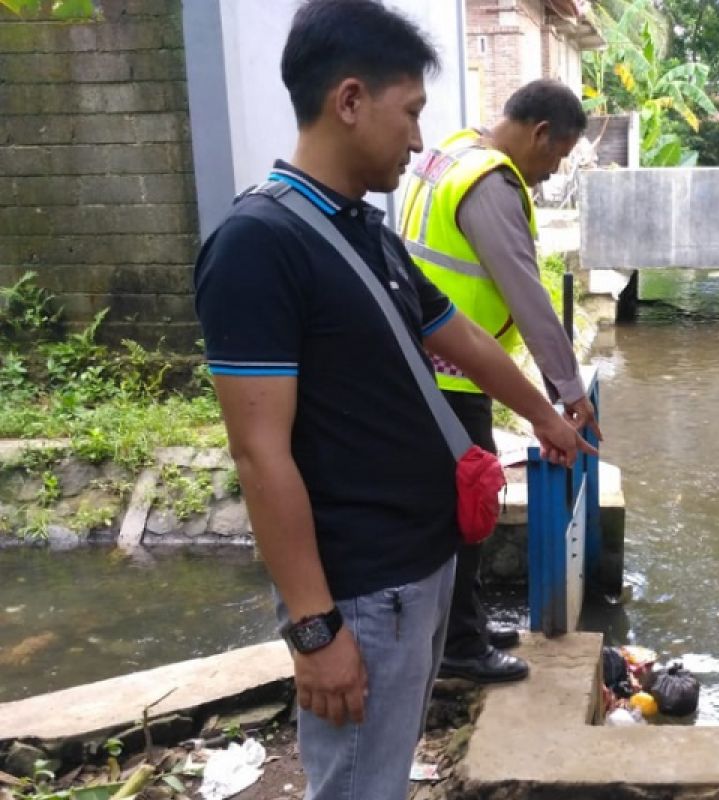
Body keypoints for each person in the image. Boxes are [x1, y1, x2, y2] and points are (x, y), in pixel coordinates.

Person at [193, 2, 593, 797]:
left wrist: (549, 415)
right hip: (363, 588)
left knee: (383, 768)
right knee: (356, 785)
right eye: (409, 112)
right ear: (348, 101)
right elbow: (259, 452)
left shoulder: (362, 231)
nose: (418, 139)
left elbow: (462, 339)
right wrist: (315, 629)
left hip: (422, 569)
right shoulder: (257, 247)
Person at [398, 79, 603, 684]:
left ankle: (465, 622)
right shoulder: (489, 184)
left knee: (458, 504)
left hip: (435, 363)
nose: (551, 171)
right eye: (557, 155)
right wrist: (567, 392)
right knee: (467, 507)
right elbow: (528, 296)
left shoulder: (456, 151)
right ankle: (459, 646)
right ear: (540, 133)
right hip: (449, 375)